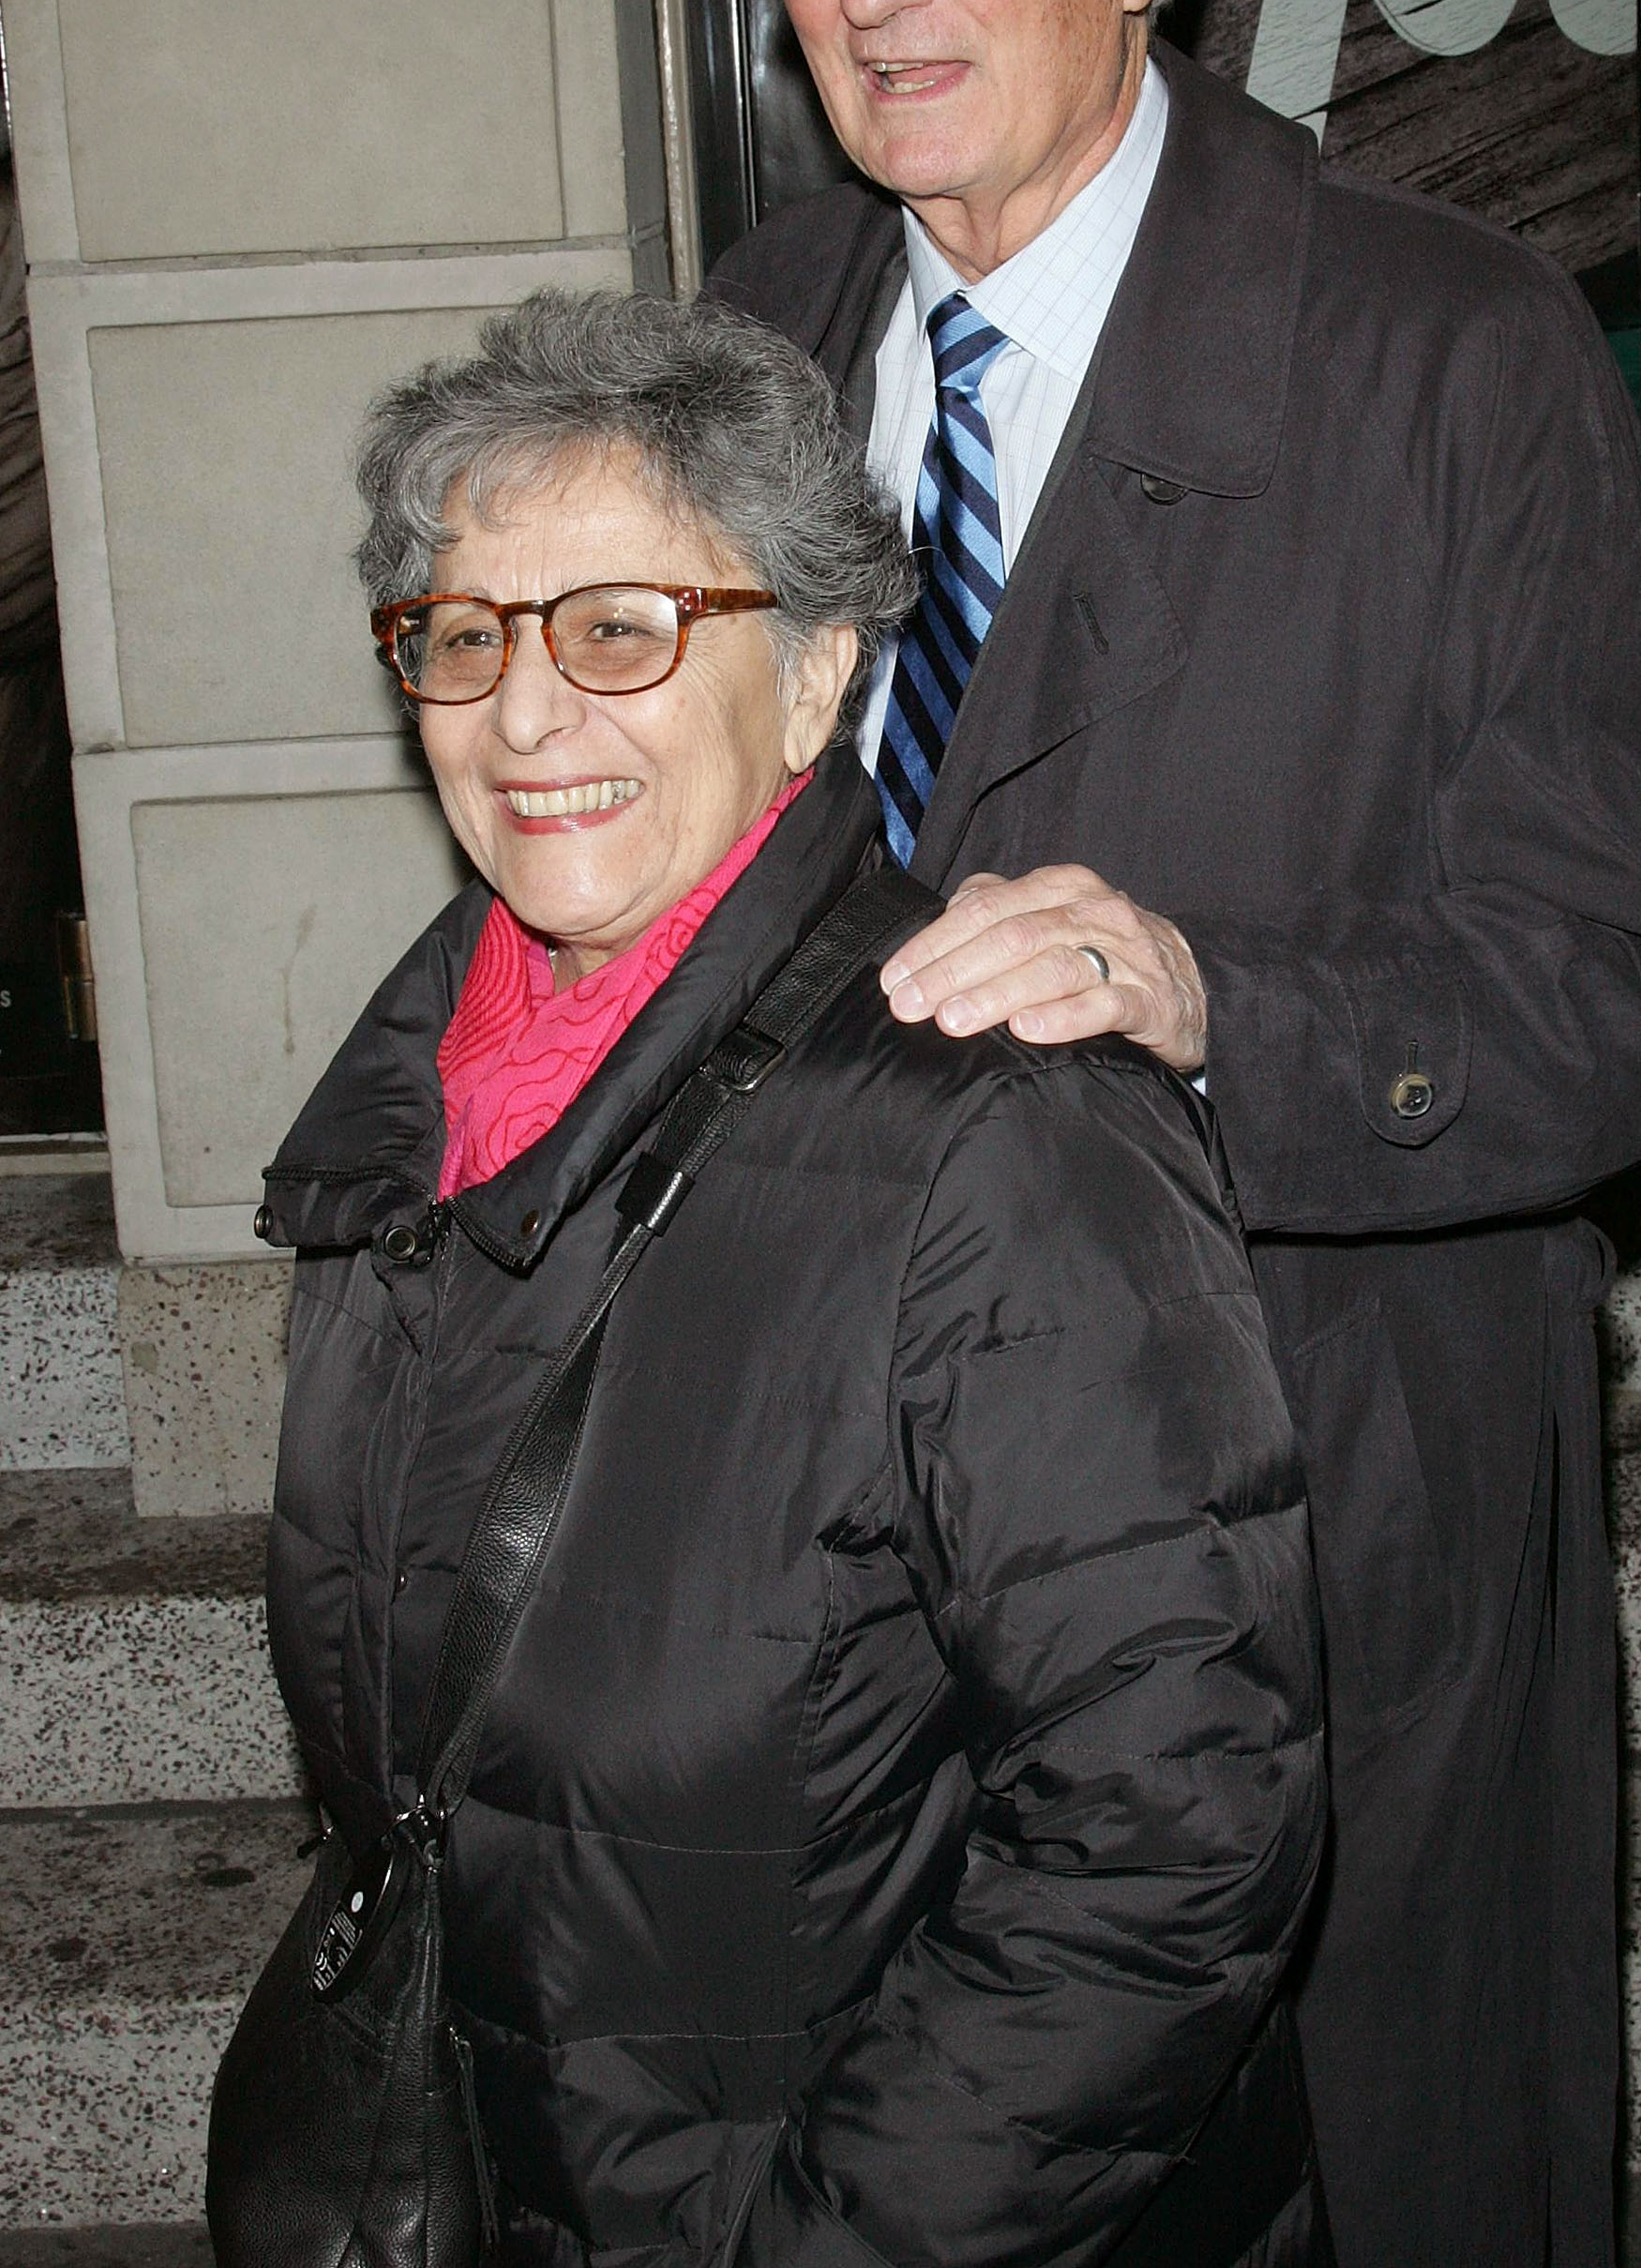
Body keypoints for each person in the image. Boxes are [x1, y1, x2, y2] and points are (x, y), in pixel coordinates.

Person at [705, 0, 1641, 2268]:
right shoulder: (734, 356)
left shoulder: (1449, 352)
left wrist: (1229, 1016)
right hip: (841, 1547)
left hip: (1320, 1508)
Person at [256, 288, 1329, 2268]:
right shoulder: (417, 1115)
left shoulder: (999, 1134)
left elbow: (1167, 1842)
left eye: (619, 629)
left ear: (819, 676)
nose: (521, 712)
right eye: (463, 635)